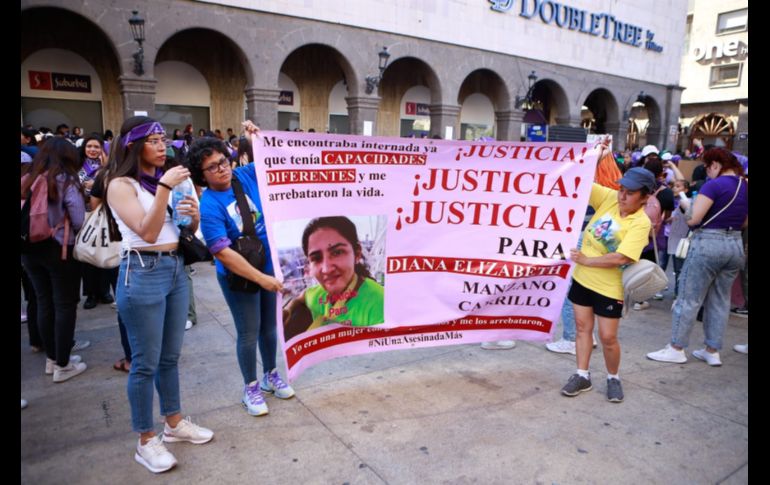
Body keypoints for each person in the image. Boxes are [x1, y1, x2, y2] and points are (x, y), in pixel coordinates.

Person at [105, 116, 212, 473]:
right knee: (144, 363)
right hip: (142, 271)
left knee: (170, 357)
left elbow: (179, 229)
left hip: (175, 268)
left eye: (163, 138)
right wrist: (165, 187)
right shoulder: (121, 185)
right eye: (152, 140)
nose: (161, 145)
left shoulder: (164, 181)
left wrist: (193, 216)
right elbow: (147, 233)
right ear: (134, 146)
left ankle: (174, 423)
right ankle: (146, 440)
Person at [188, 126, 295, 417]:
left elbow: (271, 158)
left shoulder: (245, 176)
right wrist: (262, 279)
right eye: (212, 167)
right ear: (202, 175)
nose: (221, 169)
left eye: (223, 161)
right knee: (248, 331)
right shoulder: (209, 205)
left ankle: (271, 374)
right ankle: (250, 387)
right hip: (239, 276)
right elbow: (222, 252)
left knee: (269, 328)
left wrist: (256, 137)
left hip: (267, 264)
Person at [560, 138, 655, 403]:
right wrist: (598, 155)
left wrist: (587, 260)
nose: (622, 195)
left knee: (608, 337)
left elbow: (621, 256)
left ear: (644, 196)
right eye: (622, 188)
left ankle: (613, 377)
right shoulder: (610, 199)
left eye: (630, 192)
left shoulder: (641, 222)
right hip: (583, 280)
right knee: (582, 328)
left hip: (610, 286)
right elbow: (579, 178)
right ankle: (582, 375)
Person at [646, 148, 748, 367]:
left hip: (709, 243)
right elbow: (745, 221)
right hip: (735, 244)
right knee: (720, 300)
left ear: (716, 165)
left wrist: (683, 199)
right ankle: (712, 350)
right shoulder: (744, 185)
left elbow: (693, 218)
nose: (707, 172)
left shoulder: (714, 185)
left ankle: (676, 348)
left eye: (708, 167)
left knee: (689, 297)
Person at [21, 138, 88, 383]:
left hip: (28, 248)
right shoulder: (65, 181)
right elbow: (79, 219)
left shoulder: (27, 179)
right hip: (59, 249)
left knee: (43, 301)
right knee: (64, 305)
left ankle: (52, 359)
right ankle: (63, 364)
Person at [283, 216, 385, 340]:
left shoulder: (379, 303)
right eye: (316, 258)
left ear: (357, 254)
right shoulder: (317, 295)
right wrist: (289, 309)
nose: (326, 269)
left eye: (337, 253)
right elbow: (302, 297)